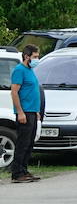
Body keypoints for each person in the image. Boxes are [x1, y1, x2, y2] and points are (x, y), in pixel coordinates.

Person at [9, 44, 43, 183]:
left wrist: (36, 112)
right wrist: (20, 112)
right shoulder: (19, 70)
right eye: (35, 56)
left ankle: (24, 170)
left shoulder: (30, 70)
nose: (37, 59)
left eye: (38, 56)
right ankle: (16, 173)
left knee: (29, 143)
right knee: (22, 143)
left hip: (32, 112)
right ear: (26, 56)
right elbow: (14, 92)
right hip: (24, 113)